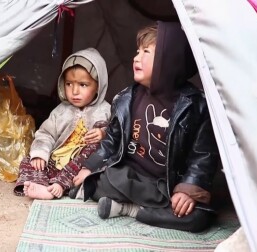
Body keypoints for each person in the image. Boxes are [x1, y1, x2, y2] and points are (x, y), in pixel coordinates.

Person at [73, 22, 220, 233]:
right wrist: (90, 166)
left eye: (146, 52)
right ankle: (138, 208)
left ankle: (131, 210)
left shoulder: (195, 105)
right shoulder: (126, 98)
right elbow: (111, 140)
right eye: (137, 51)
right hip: (130, 175)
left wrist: (187, 190)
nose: (136, 57)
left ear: (168, 60)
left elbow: (203, 155)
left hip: (166, 185)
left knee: (198, 218)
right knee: (100, 180)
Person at [14, 47, 111, 200]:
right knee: (30, 160)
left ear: (98, 86)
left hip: (82, 163)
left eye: (83, 85)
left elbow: (116, 133)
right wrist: (40, 154)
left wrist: (103, 133)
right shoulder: (60, 111)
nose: (75, 91)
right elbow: (46, 133)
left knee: (91, 153)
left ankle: (59, 186)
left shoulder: (106, 110)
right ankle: (42, 184)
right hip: (58, 160)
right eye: (69, 84)